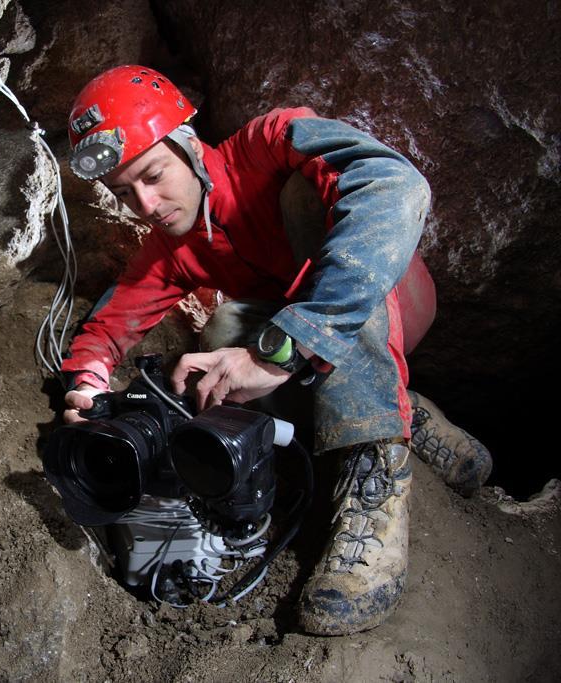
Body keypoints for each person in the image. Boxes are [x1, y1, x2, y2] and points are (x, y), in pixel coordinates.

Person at [59, 65, 492, 635]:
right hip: (317, 342)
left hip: (392, 294)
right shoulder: (174, 245)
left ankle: (374, 485)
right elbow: (106, 329)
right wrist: (87, 385)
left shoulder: (272, 141)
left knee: (306, 200)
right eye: (124, 192)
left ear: (187, 144)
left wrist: (276, 354)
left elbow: (393, 185)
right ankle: (406, 408)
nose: (145, 202)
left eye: (154, 174)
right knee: (218, 339)